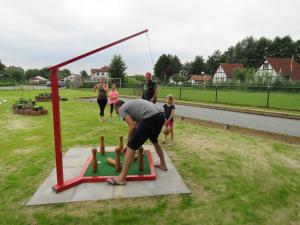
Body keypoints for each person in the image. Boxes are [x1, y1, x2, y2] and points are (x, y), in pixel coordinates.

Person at [107, 99, 168, 185]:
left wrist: (129, 145)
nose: (119, 115)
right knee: (154, 140)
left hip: (150, 118)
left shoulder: (121, 109)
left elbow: (132, 126)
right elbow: (138, 127)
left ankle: (121, 178)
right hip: (161, 116)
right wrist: (134, 142)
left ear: (117, 108)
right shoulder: (132, 107)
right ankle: (163, 164)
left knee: (132, 146)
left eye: (117, 113)